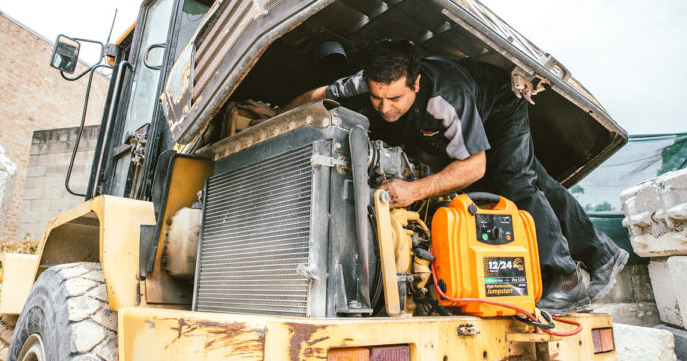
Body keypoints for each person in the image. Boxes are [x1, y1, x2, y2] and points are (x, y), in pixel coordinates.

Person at [241, 39, 628, 313]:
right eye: (376, 97)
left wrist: (413, 190)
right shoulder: (370, 81)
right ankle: (603, 253)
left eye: (395, 99)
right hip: (469, 108)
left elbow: (474, 167)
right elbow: (319, 93)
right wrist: (278, 116)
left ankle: (565, 281)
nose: (384, 107)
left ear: (416, 84)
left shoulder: (446, 98)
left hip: (499, 108)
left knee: (514, 181)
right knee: (537, 181)